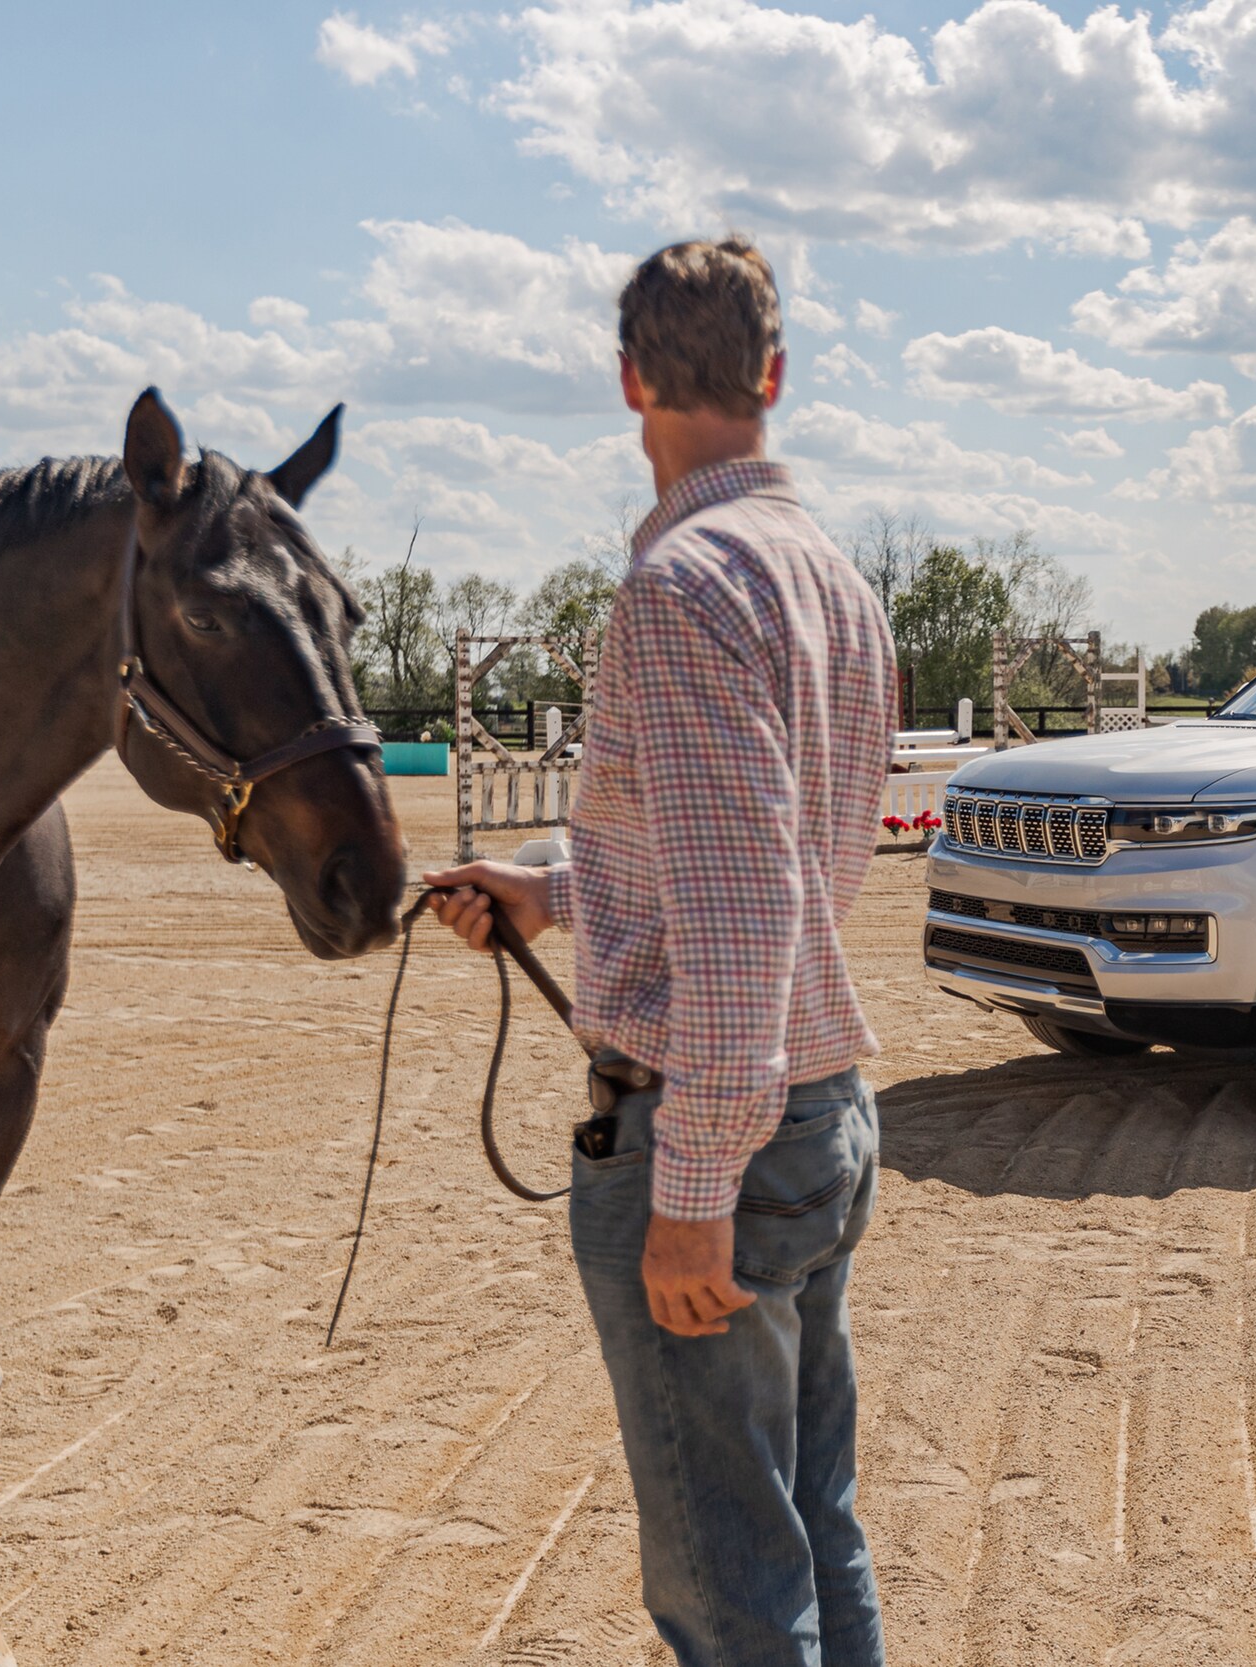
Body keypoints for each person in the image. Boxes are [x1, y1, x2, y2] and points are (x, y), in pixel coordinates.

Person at [422, 237, 895, 1667]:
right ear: (775, 375)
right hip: (815, 1109)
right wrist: (554, 891)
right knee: (815, 1525)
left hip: (714, 1134)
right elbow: (762, 869)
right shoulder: (831, 581)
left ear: (628, 378)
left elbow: (746, 911)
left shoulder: (682, 590)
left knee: (729, 1583)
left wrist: (689, 1191)